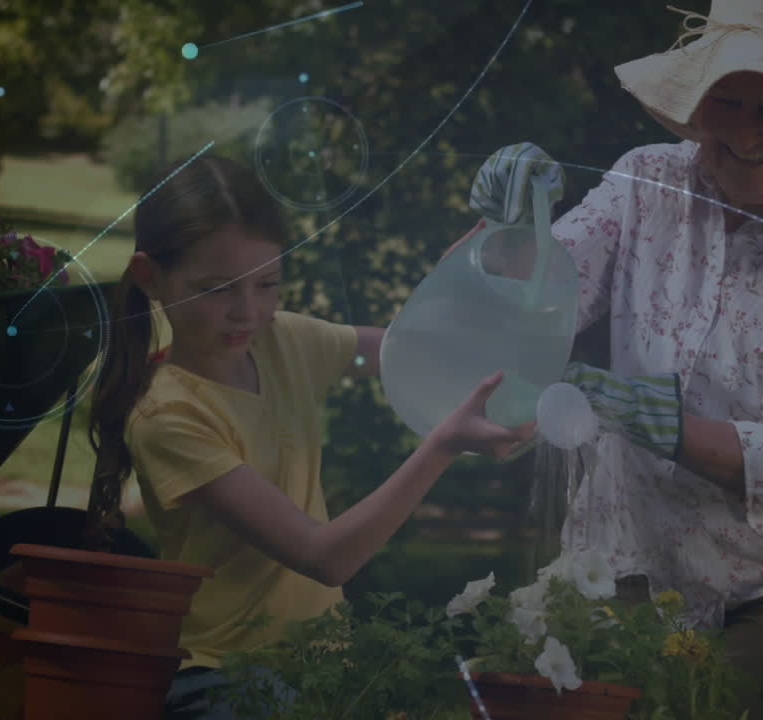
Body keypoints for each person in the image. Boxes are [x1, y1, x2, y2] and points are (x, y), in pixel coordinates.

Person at [461, 0, 763, 716]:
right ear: (698, 101)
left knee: (710, 703)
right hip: (635, 556)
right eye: (727, 101)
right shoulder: (647, 180)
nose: (746, 131)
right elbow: (540, 300)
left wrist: (653, 419)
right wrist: (512, 230)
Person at [84, 154, 535, 719]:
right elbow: (324, 557)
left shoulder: (282, 342)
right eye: (215, 290)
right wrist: (443, 445)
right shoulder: (167, 415)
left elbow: (415, 351)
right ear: (150, 277)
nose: (247, 312)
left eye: (267, 283)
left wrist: (463, 281)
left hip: (323, 673)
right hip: (227, 684)